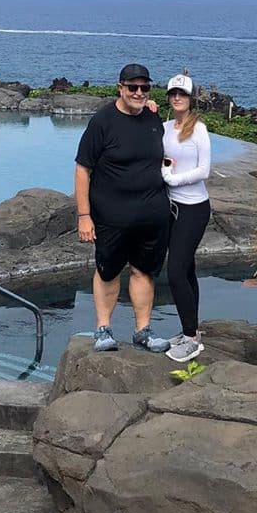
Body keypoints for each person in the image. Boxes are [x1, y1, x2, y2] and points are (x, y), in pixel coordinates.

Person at [74, 63, 173, 353]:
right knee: (108, 271)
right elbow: (83, 170)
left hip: (151, 216)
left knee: (144, 272)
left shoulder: (154, 119)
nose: (139, 93)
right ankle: (103, 329)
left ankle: (143, 330)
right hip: (110, 216)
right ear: (121, 88)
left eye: (144, 88)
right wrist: (84, 216)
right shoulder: (102, 121)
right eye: (133, 87)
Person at [160, 72, 212, 363]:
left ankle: (191, 339)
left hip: (194, 208)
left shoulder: (199, 130)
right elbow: (158, 155)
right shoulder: (165, 127)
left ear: (191, 99)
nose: (177, 98)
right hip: (172, 208)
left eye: (182, 94)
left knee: (176, 271)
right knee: (188, 270)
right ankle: (190, 330)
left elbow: (204, 170)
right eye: (173, 93)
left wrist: (172, 179)